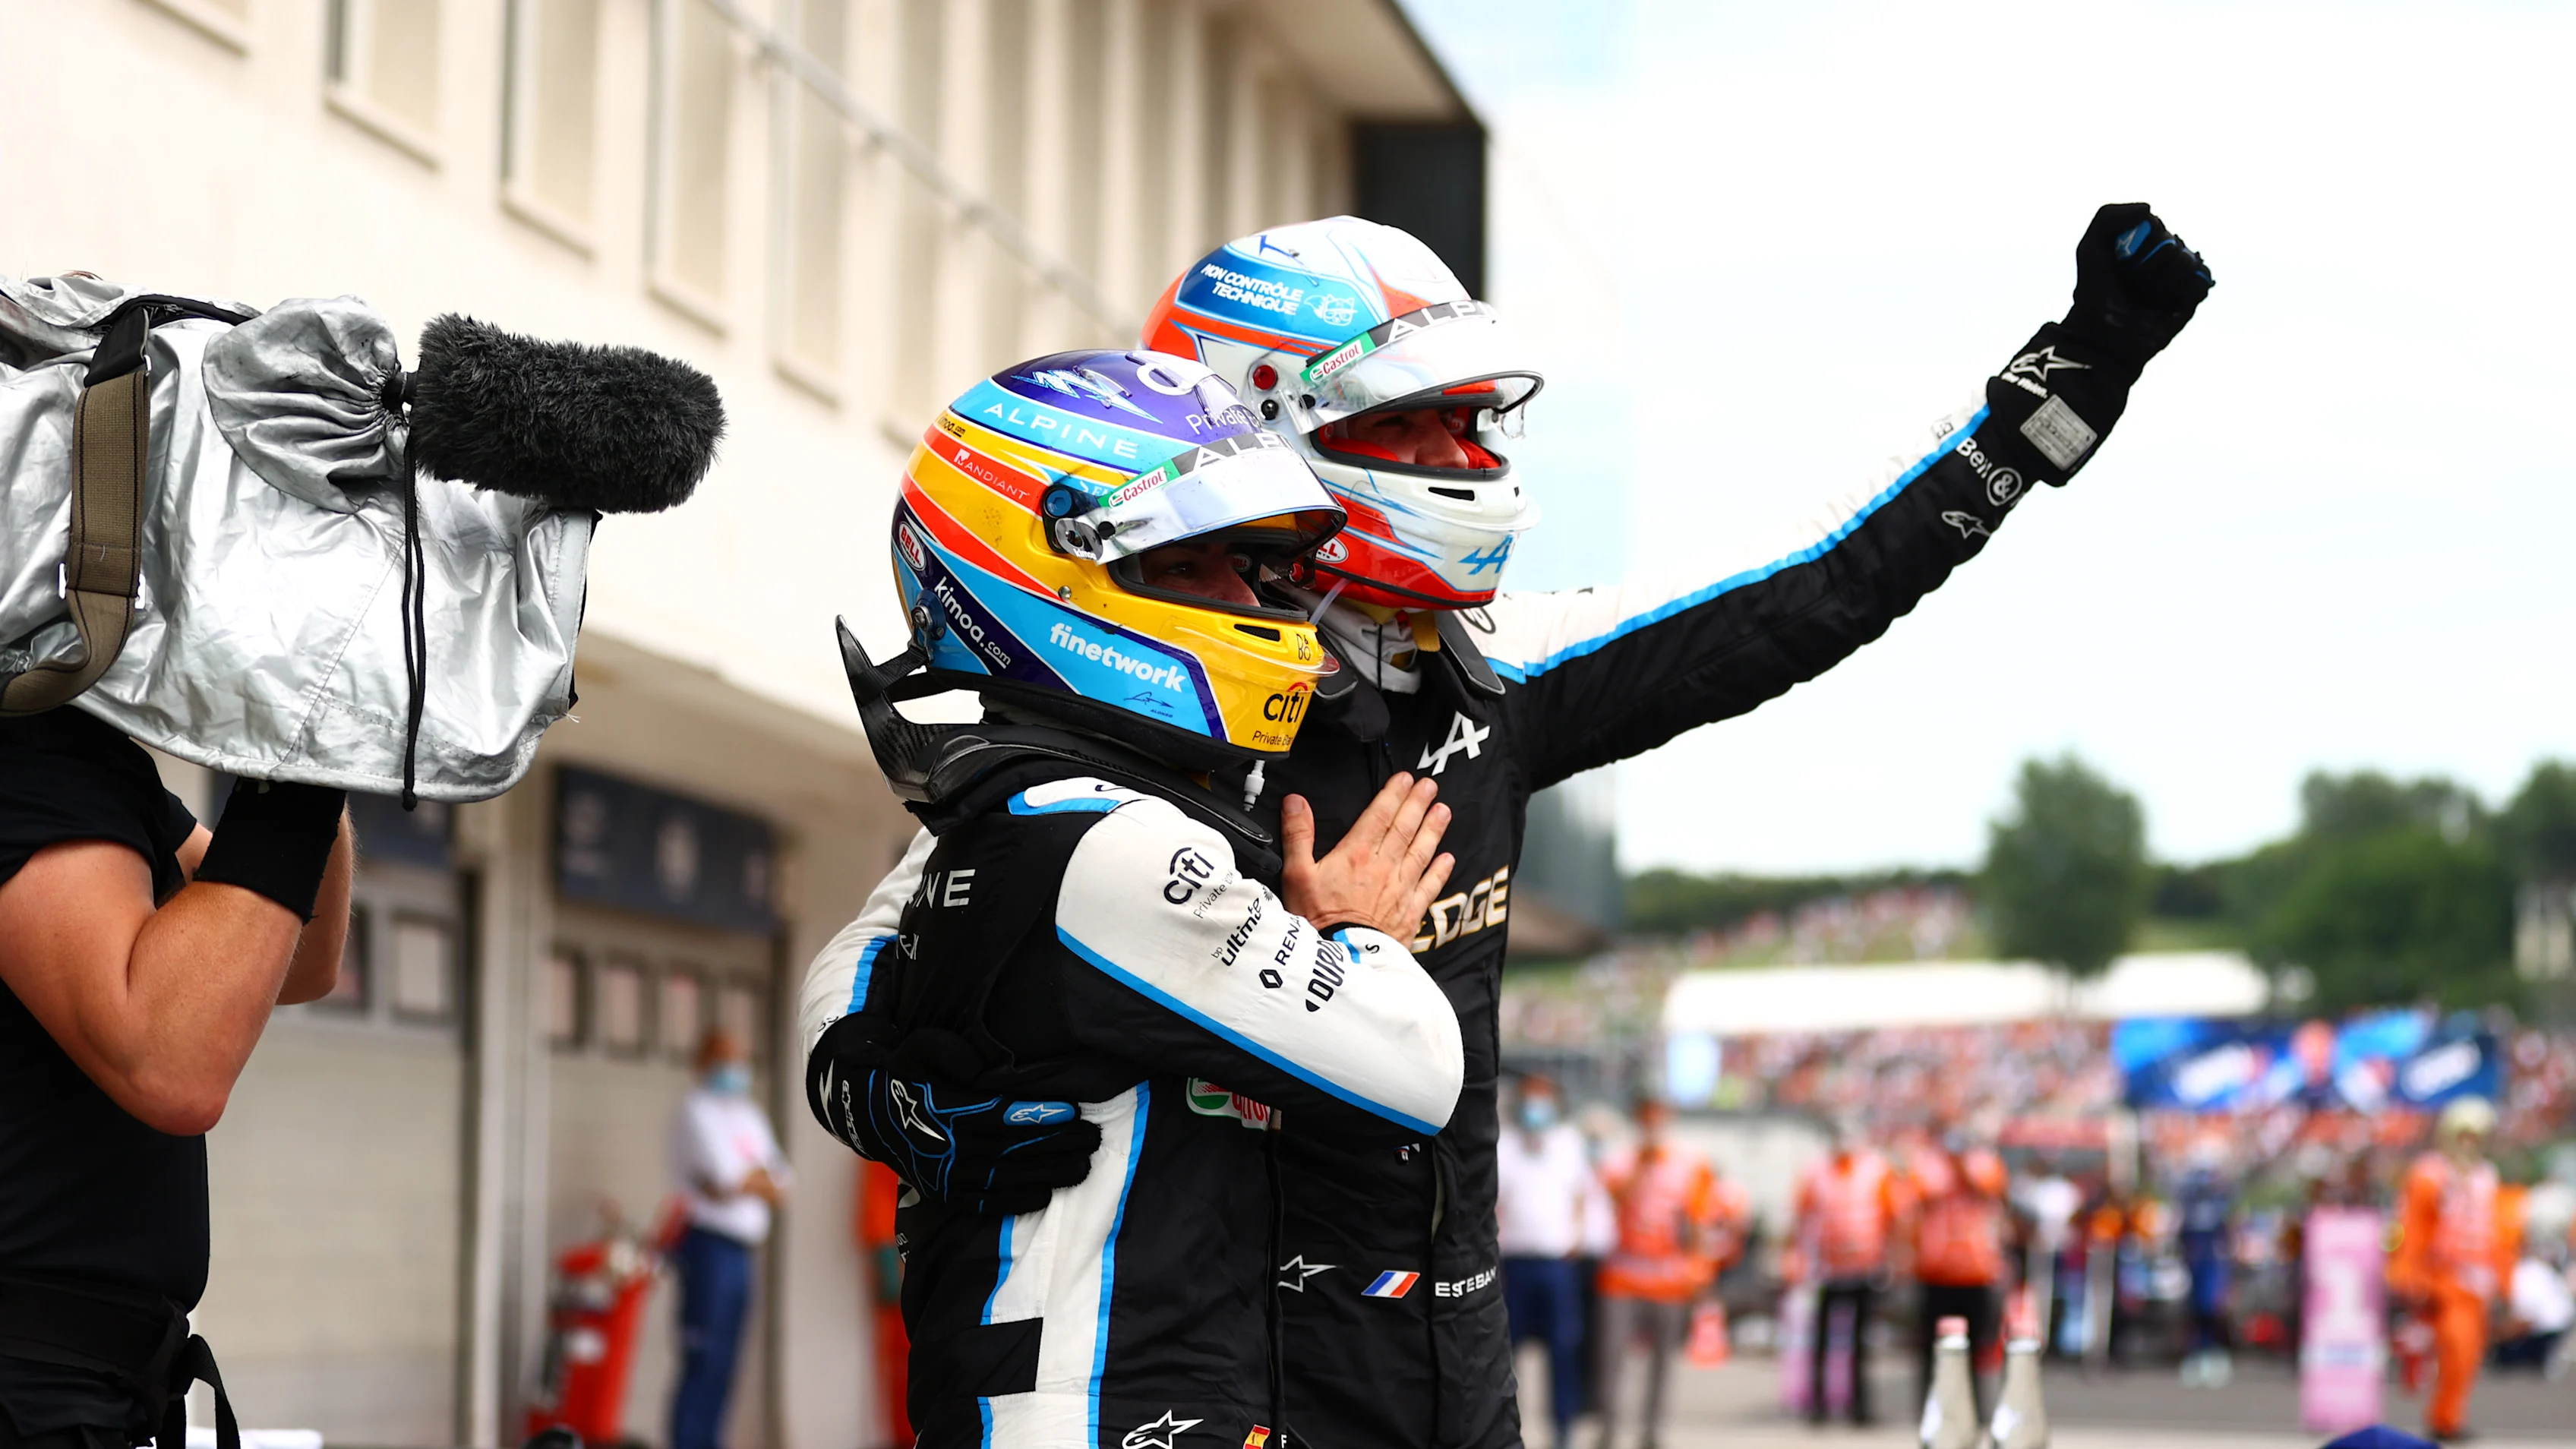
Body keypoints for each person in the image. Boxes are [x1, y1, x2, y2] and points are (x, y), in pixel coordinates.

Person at [824, 204, 2213, 1449]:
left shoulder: (1497, 660)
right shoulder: (1146, 697)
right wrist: (890, 1098)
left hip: (1458, 1334)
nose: (1459, 455)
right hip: (1239, 1360)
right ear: (1262, 426)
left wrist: (2056, 395)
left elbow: (1814, 587)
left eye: (1472, 415)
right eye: (1405, 423)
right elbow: (895, 934)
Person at [798, 349, 1466, 1448]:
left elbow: (852, 965)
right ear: (1059, 573)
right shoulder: (1112, 845)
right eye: (1203, 566)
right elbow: (1417, 1067)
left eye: (1250, 569)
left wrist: (867, 1084)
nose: (1253, 603)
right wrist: (1357, 928)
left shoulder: (1027, 812)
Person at [0, 714, 353, 1449]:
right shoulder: (23, 757)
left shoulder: (91, 768)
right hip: (29, 1383)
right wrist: (308, 734)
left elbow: (303, 961)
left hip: (85, 1385)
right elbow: (169, 1065)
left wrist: (329, 736)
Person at [668, 1028, 794, 1449]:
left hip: (741, 1253)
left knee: (726, 1365)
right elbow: (725, 1178)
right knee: (702, 1360)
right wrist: (754, 1177)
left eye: (741, 1059)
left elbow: (782, 1183)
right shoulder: (696, 1111)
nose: (735, 1069)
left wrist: (747, 1181)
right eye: (725, 1059)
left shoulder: (747, 1115)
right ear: (703, 1063)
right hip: (707, 1248)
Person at [1593, 1098, 1724, 1449]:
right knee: (1612, 1357)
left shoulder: (1691, 1164)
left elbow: (1700, 1222)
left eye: (1658, 1118)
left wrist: (1701, 1271)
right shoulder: (1620, 1159)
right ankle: (1608, 1427)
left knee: (1663, 1362)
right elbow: (1613, 1198)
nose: (1652, 1125)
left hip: (1669, 1277)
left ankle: (1653, 1431)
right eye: (1646, 1118)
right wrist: (1642, 1165)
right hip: (1623, 1275)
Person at [2388, 1097, 2521, 1441]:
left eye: (2475, 1137)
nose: (2468, 1144)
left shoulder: (2486, 1176)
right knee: (2453, 1345)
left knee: (2468, 1355)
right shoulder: (2430, 1173)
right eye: (2463, 1136)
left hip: (2477, 1280)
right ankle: (2443, 1418)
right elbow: (2413, 1226)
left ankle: (2447, 1417)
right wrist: (2409, 1274)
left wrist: (2505, 1283)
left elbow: (2497, 1234)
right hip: (2442, 1277)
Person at [1496, 1078, 1609, 1449]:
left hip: (1557, 1266)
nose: (1536, 1110)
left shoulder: (1568, 1144)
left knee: (1563, 1351)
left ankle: (1563, 1430)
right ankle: (1501, 1428)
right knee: (1503, 1354)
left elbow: (1582, 1195)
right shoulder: (1505, 1146)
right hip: (1514, 1265)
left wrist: (1576, 1241)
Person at [1796, 1124, 1904, 1425]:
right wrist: (1800, 1262)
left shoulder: (1876, 1170)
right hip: (1826, 1270)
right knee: (1820, 1342)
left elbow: (1893, 1215)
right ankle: (1818, 1407)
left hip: (1865, 1268)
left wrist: (1892, 1261)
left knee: (1860, 1343)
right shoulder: (1816, 1171)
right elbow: (1803, 1217)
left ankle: (1860, 1408)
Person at [1907, 1132, 2009, 1420]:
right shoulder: (1928, 1165)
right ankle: (1930, 1407)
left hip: (1977, 1271)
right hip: (1936, 1270)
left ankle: (1975, 1409)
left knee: (1977, 1349)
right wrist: (1948, 1166)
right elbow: (1922, 1196)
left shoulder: (1985, 1163)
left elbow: (1990, 1190)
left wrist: (1964, 1166)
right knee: (1930, 1348)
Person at [2173, 1138, 2237, 1387]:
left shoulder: (2219, 1202)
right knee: (2195, 1309)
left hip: (2212, 1262)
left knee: (2212, 1309)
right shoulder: (2190, 1202)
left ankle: (2212, 1353)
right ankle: (2196, 1353)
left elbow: (2226, 1233)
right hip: (2196, 1262)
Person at [2492, 1244, 2572, 1375]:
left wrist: (2498, 1336)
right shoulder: (2529, 1267)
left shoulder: (2523, 1276)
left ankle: (2546, 1354)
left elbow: (2526, 1320)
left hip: (2552, 1324)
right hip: (2559, 1318)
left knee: (2506, 1358)